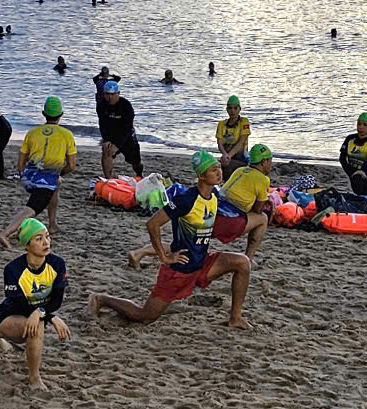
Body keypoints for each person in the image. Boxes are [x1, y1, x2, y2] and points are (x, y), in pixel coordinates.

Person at [92, 156, 252, 329]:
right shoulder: (185, 200)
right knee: (145, 316)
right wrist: (164, 257)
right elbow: (152, 224)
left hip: (202, 263)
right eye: (213, 169)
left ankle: (235, 318)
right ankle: (101, 299)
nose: (219, 172)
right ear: (201, 176)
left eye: (219, 167)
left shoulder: (213, 194)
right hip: (180, 270)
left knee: (242, 262)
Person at [0, 217, 69, 387]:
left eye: (48, 236)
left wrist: (42, 313)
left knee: (37, 321)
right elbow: (19, 304)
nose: (46, 242)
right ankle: (34, 378)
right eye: (39, 238)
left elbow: (57, 300)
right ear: (26, 245)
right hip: (9, 315)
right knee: (37, 325)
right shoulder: (13, 269)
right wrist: (50, 317)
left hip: (34, 315)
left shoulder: (57, 264)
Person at [0, 96, 75, 245]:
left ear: (43, 113)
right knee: (31, 210)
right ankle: (5, 233)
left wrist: (24, 175)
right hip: (44, 179)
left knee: (56, 185)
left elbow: (21, 162)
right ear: (61, 115)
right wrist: (57, 173)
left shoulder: (32, 132)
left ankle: (52, 224)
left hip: (29, 176)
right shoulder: (66, 135)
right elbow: (71, 165)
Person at [215, 144, 274, 259]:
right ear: (264, 162)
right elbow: (257, 210)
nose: (271, 164)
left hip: (215, 213)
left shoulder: (240, 170)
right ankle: (249, 258)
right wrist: (266, 202)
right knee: (262, 218)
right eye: (270, 161)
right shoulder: (263, 179)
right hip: (228, 222)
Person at [94, 77, 142, 177]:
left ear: (118, 93)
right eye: (107, 94)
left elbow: (127, 127)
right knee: (106, 151)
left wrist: (117, 145)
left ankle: (139, 174)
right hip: (111, 134)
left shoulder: (126, 106)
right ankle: (108, 178)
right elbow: (102, 124)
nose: (110, 97)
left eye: (112, 94)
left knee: (135, 161)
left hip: (126, 135)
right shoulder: (101, 105)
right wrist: (106, 140)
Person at [215, 97, 254, 171]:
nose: (232, 111)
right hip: (226, 157)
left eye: (235, 108)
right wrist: (225, 154)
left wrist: (228, 156)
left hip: (241, 157)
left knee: (228, 166)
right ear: (227, 109)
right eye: (230, 108)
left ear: (239, 109)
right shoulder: (221, 124)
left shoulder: (244, 122)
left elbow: (242, 141)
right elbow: (219, 142)